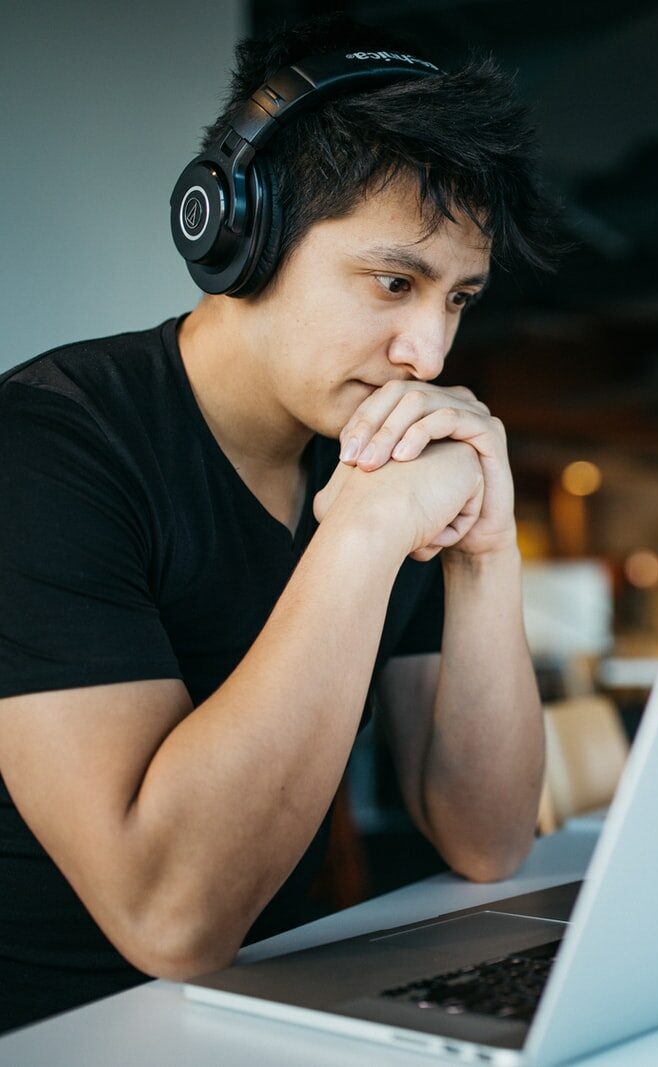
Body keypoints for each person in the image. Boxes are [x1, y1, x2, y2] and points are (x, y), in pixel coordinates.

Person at [0, 13, 561, 1034]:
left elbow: (489, 838)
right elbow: (168, 916)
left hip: (277, 1013)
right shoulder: (46, 452)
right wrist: (357, 535)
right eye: (394, 282)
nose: (429, 351)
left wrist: (487, 550)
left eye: (459, 299)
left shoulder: (377, 451)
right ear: (239, 235)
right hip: (64, 1034)